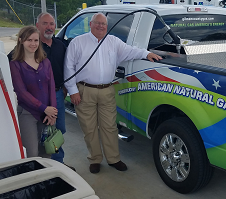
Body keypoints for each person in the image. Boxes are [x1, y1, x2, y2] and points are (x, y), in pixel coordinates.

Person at [64, 13, 162, 174]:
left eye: (103, 24)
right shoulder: (78, 42)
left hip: (107, 90)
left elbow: (131, 51)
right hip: (84, 90)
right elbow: (68, 68)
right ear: (91, 24)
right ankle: (95, 159)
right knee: (89, 128)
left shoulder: (113, 42)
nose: (101, 26)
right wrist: (73, 91)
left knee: (109, 127)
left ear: (107, 26)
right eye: (97, 23)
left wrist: (147, 54)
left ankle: (113, 159)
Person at [35, 12, 75, 171]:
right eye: (45, 23)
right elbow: (11, 61)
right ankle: (44, 165)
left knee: (58, 130)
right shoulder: (32, 44)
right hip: (38, 97)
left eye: (52, 24)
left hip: (58, 94)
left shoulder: (60, 45)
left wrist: (66, 87)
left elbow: (68, 67)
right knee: (41, 131)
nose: (49, 27)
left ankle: (58, 164)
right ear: (37, 26)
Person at [9, 26, 58, 158]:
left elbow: (51, 87)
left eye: (36, 40)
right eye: (29, 40)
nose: (33, 44)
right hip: (28, 113)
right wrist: (44, 108)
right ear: (21, 41)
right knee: (32, 153)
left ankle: (46, 178)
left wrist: (52, 112)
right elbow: (21, 92)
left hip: (47, 114)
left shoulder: (46, 62)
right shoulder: (15, 65)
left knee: (47, 151)